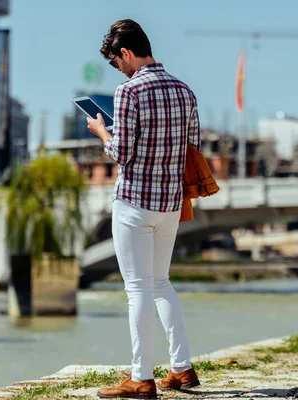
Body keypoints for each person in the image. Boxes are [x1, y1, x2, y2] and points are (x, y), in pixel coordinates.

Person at [86, 19, 201, 399]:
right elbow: (193, 146)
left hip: (135, 202)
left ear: (127, 52)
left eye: (116, 61)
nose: (118, 68)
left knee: (137, 290)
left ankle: (141, 378)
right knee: (161, 284)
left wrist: (103, 132)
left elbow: (123, 153)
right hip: (169, 203)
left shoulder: (128, 91)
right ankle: (181, 369)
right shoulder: (185, 91)